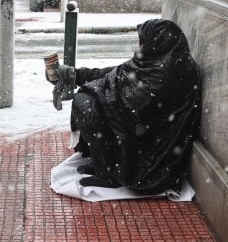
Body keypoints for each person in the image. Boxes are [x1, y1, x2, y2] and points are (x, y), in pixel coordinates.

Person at [48, 18, 201, 194]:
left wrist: (99, 93)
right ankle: (104, 166)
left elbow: (135, 110)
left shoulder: (167, 72)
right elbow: (117, 73)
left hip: (149, 150)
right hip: (138, 133)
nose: (141, 45)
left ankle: (111, 174)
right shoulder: (157, 59)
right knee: (86, 102)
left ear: (156, 42)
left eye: (143, 41)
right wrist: (78, 75)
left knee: (88, 107)